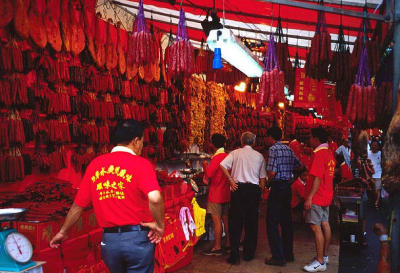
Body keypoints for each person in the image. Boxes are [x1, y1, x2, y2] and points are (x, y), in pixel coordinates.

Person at [50, 120, 164, 273]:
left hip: (109, 242)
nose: (142, 146)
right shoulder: (141, 164)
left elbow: (78, 206)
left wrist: (63, 232)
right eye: (142, 141)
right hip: (137, 240)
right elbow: (155, 198)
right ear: (136, 141)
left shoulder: (95, 165)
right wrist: (159, 225)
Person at [220, 131, 267, 264]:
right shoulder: (259, 156)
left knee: (235, 222)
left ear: (242, 141)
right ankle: (248, 253)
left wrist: (230, 180)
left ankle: (234, 255)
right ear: (254, 142)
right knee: (251, 223)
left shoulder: (235, 153)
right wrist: (261, 193)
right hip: (253, 190)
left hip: (238, 189)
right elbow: (262, 179)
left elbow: (222, 165)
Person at [265, 126, 302, 267]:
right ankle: (288, 254)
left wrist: (267, 184)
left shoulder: (273, 149)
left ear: (270, 137)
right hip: (287, 188)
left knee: (272, 222)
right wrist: (291, 177)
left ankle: (278, 257)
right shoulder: (288, 149)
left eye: (266, 137)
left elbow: (272, 172)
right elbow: (299, 165)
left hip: (277, 187)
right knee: (286, 222)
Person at [303, 127, 335, 272]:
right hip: (327, 194)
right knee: (325, 224)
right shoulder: (329, 153)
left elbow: (317, 177)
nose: (309, 140)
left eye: (310, 137)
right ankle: (325, 255)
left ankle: (320, 261)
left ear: (316, 138)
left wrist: (309, 197)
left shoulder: (319, 154)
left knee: (316, 227)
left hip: (317, 196)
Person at [202, 134, 230, 256]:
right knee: (225, 218)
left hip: (216, 193)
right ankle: (228, 242)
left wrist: (204, 166)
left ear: (213, 144)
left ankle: (217, 246)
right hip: (226, 192)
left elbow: (209, 173)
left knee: (216, 220)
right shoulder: (227, 156)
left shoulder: (217, 157)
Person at [368, 139, 382, 208]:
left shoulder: (380, 153)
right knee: (371, 190)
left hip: (378, 174)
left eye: (375, 145)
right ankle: (373, 202)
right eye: (373, 145)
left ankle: (376, 202)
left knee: (377, 189)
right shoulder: (368, 153)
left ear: (378, 146)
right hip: (370, 175)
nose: (374, 146)